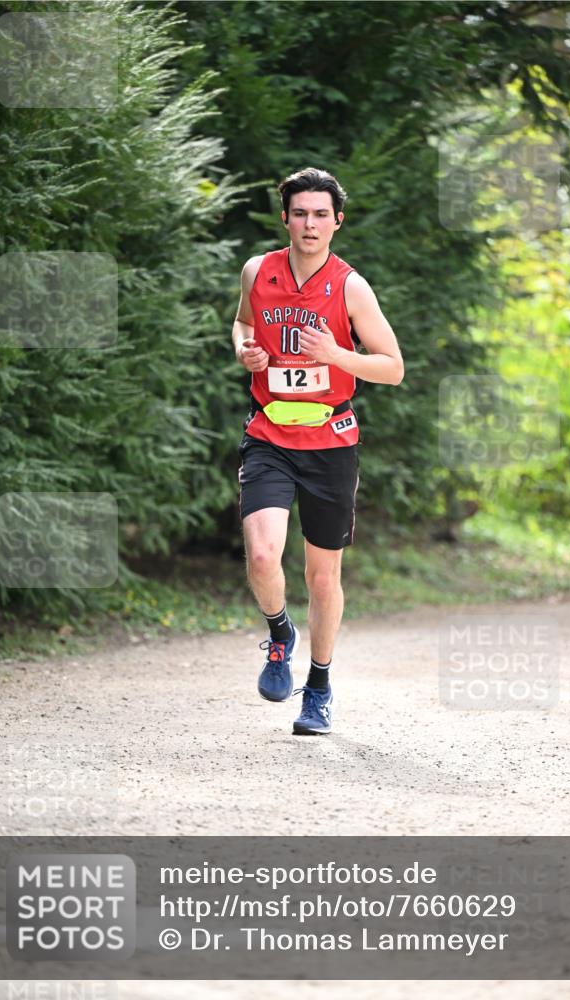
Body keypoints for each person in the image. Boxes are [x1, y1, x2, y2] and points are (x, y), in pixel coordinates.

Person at [232, 167, 403, 735]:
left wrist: (336, 354)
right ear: (285, 218)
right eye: (300, 213)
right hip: (269, 434)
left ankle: (320, 688)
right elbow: (242, 324)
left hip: (331, 442)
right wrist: (245, 351)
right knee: (263, 556)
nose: (310, 224)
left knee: (322, 577)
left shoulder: (350, 287)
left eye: (321, 215)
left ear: (337, 222)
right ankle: (280, 633)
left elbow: (392, 367)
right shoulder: (257, 271)